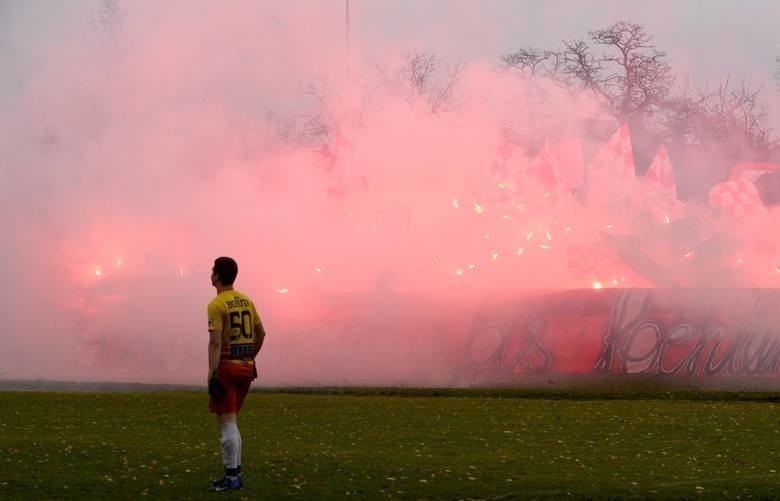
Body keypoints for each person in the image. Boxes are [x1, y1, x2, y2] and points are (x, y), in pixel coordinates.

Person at [206, 256, 266, 492]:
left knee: (227, 421)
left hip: (228, 368)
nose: (210, 275)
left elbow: (215, 343)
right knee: (233, 420)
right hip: (246, 367)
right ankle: (236, 473)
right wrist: (252, 357)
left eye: (213, 271)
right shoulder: (247, 300)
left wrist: (212, 373)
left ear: (218, 275)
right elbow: (262, 333)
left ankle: (231, 477)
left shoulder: (217, 304)